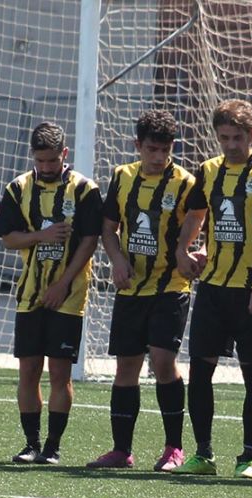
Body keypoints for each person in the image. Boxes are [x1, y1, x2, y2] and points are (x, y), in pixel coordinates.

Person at [171, 99, 252, 479]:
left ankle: (248, 457)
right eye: (224, 137)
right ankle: (204, 453)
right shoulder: (208, 172)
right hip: (213, 290)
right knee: (200, 373)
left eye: (237, 137)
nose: (230, 145)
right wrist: (182, 249)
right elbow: (195, 214)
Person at [86, 110, 195, 471]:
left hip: (171, 286)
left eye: (165, 149)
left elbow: (198, 230)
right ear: (138, 146)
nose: (159, 156)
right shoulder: (123, 176)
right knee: (127, 366)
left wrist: (191, 253)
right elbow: (108, 228)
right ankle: (121, 450)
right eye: (151, 149)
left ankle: (173, 448)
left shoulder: (185, 182)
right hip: (132, 288)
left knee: (163, 362)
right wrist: (117, 260)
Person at [0, 121, 102, 466]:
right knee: (28, 370)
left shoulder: (85, 190)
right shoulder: (17, 188)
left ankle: (53, 447)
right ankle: (30, 443)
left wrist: (63, 283)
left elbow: (89, 240)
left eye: (52, 161)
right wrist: (42, 236)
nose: (46, 168)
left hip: (68, 295)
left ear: (64, 155)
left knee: (59, 372)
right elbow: (8, 237)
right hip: (29, 294)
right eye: (40, 161)